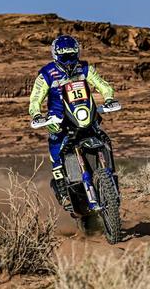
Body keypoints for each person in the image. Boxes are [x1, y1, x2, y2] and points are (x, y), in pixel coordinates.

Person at [28, 35, 116, 207]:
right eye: (64, 56)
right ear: (56, 55)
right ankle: (62, 189)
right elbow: (35, 98)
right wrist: (36, 114)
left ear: (77, 53)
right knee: (56, 145)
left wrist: (109, 97)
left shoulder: (85, 68)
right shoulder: (46, 73)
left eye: (71, 55)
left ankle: (109, 176)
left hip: (84, 113)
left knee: (104, 137)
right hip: (58, 119)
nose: (68, 60)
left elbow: (102, 84)